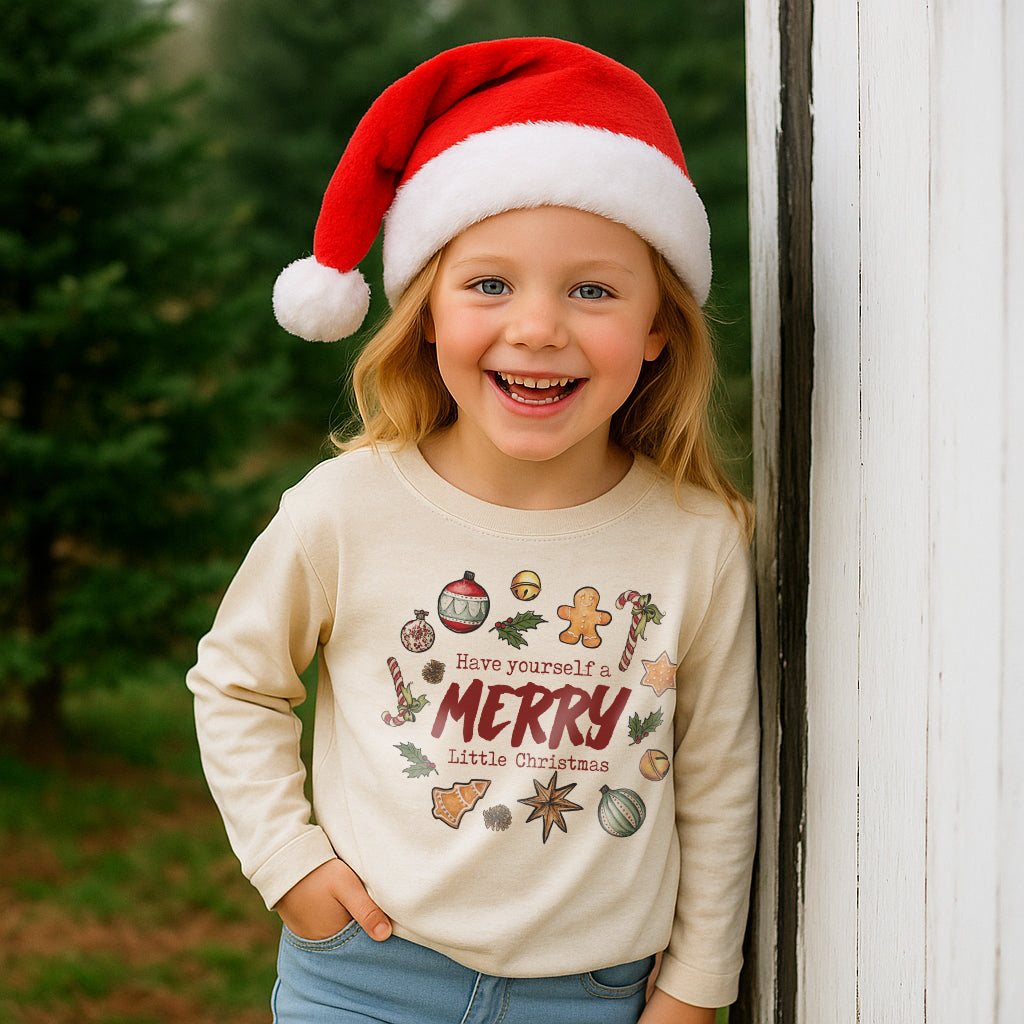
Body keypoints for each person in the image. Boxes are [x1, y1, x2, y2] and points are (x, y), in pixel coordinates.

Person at [187, 36, 759, 1024]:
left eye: (592, 289)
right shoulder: (345, 508)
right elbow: (236, 684)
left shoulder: (694, 539)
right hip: (365, 977)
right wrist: (290, 863)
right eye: (489, 284)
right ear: (425, 316)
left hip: (594, 998)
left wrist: (694, 990)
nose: (537, 327)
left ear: (659, 326)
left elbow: (718, 775)